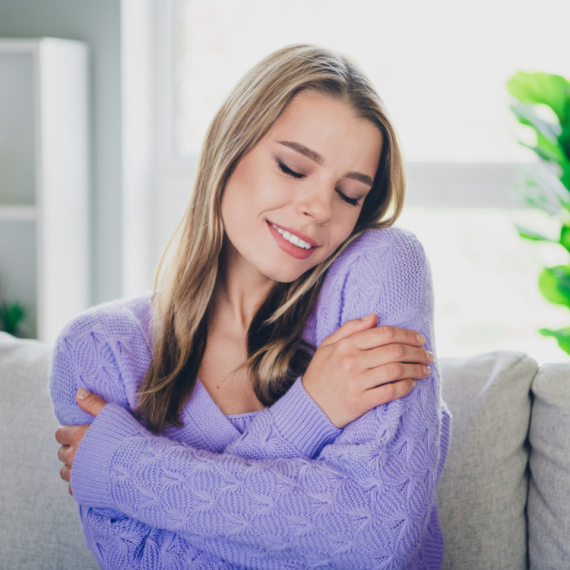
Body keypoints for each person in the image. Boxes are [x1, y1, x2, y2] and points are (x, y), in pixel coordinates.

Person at [51, 43, 451, 569]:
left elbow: (378, 539)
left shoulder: (379, 279)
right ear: (229, 148)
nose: (319, 208)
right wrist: (311, 413)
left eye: (350, 195)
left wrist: (128, 468)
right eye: (292, 167)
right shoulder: (103, 350)